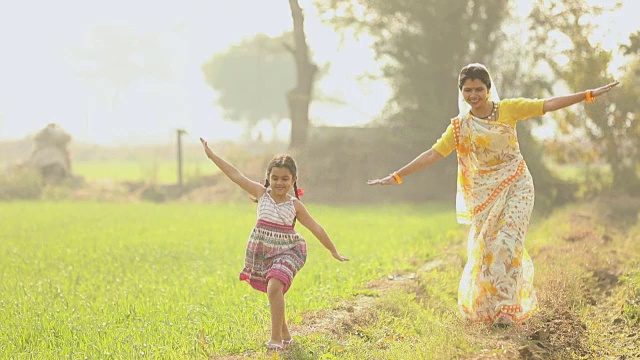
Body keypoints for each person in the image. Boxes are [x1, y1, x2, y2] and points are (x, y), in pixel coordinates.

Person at [367, 63, 619, 327]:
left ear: (488, 89)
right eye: (468, 90)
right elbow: (433, 153)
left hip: (518, 185)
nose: (473, 95)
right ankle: (491, 308)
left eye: (478, 89)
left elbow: (547, 104)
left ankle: (507, 310)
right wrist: (397, 176)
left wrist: (587, 94)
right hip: (485, 195)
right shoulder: (460, 127)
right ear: (461, 92)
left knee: (507, 243)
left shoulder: (508, 109)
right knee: (488, 251)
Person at [199, 138, 349, 350]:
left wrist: (333, 250)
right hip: (264, 252)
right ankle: (286, 333)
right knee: (274, 292)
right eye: (275, 178)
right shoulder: (261, 194)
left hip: (289, 251)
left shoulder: (295, 205)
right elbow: (235, 175)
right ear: (268, 178)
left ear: (294, 179)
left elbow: (316, 227)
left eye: (285, 179)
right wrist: (212, 156)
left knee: (274, 287)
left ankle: (276, 339)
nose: (280, 183)